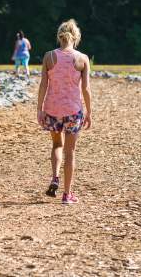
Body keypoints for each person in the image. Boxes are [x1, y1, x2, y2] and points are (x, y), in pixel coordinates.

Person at [36, 19, 92, 204]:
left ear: (59, 36)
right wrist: (89, 112)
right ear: (75, 37)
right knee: (71, 151)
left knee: (56, 146)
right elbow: (86, 89)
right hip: (73, 110)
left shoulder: (49, 56)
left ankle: (55, 177)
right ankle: (67, 195)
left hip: (52, 109)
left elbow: (44, 84)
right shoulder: (82, 58)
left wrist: (40, 109)